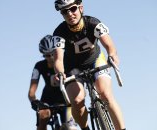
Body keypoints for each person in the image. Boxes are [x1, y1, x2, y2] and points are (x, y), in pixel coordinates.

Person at [52, 0, 126, 130]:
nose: (70, 13)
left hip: (95, 60)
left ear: (80, 8)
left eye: (73, 8)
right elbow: (58, 59)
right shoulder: (59, 32)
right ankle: (85, 128)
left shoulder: (93, 23)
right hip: (73, 67)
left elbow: (109, 45)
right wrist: (60, 72)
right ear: (62, 14)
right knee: (77, 101)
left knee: (106, 94)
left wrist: (112, 55)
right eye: (65, 11)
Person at [28, 35, 77, 130]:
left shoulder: (66, 63)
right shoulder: (39, 66)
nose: (50, 57)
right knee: (43, 115)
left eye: (53, 53)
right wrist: (34, 102)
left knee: (71, 128)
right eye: (47, 55)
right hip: (47, 100)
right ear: (43, 55)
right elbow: (31, 92)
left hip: (66, 99)